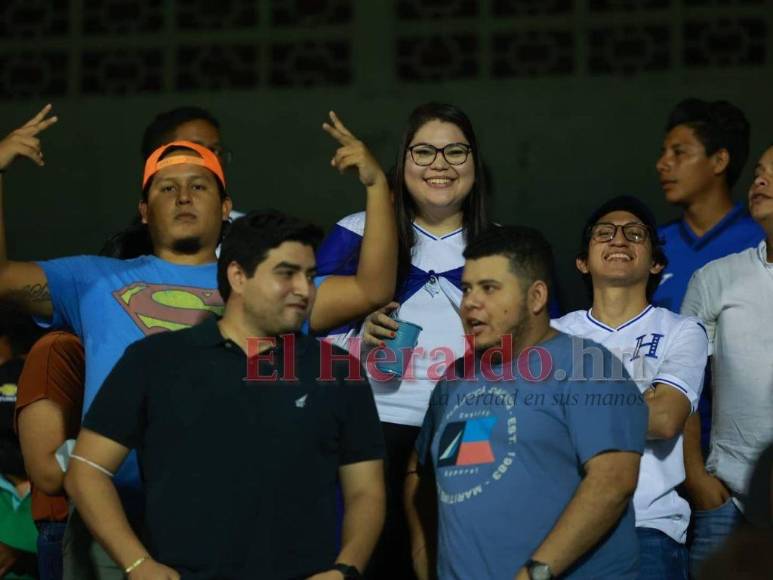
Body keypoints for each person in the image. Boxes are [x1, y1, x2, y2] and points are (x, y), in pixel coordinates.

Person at [0, 105, 396, 577]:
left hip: (234, 526)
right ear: (144, 211)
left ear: (227, 206)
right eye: (167, 188)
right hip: (115, 519)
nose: (184, 196)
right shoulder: (90, 279)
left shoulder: (266, 283)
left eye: (200, 186)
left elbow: (373, 288)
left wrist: (376, 188)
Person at [65, 210, 386, 579]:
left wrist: (347, 568)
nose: (304, 289)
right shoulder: (155, 361)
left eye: (310, 276)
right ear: (238, 276)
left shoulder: (338, 369)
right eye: (287, 273)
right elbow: (86, 471)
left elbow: (367, 491)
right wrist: (138, 564)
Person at [406, 225, 647, 579]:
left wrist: (534, 575)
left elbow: (613, 482)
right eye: (467, 288)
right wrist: (425, 557)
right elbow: (419, 473)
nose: (470, 301)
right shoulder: (455, 380)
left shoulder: (586, 366)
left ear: (535, 297)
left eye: (489, 288)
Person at [317, 102, 489, 579]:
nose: (440, 164)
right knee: (369, 562)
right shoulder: (358, 231)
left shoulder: (499, 246)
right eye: (424, 152)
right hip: (371, 424)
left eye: (455, 151)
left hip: (471, 424)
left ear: (475, 163)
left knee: (457, 560)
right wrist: (358, 339)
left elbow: (540, 351)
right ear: (402, 161)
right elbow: (298, 332)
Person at [552, 196, 709, 579]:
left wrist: (570, 405)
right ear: (582, 261)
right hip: (560, 528)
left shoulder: (682, 330)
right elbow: (532, 425)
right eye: (604, 233)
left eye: (634, 234)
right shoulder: (554, 334)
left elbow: (667, 419)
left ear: (655, 262)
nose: (619, 239)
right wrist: (641, 398)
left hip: (648, 528)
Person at [680, 145, 773, 576]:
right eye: (758, 172)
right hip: (729, 498)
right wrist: (698, 478)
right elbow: (681, 385)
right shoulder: (716, 277)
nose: (759, 181)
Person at [653, 98, 762, 313]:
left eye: (679, 152)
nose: (661, 164)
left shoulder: (761, 241)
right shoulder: (651, 247)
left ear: (719, 160)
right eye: (663, 152)